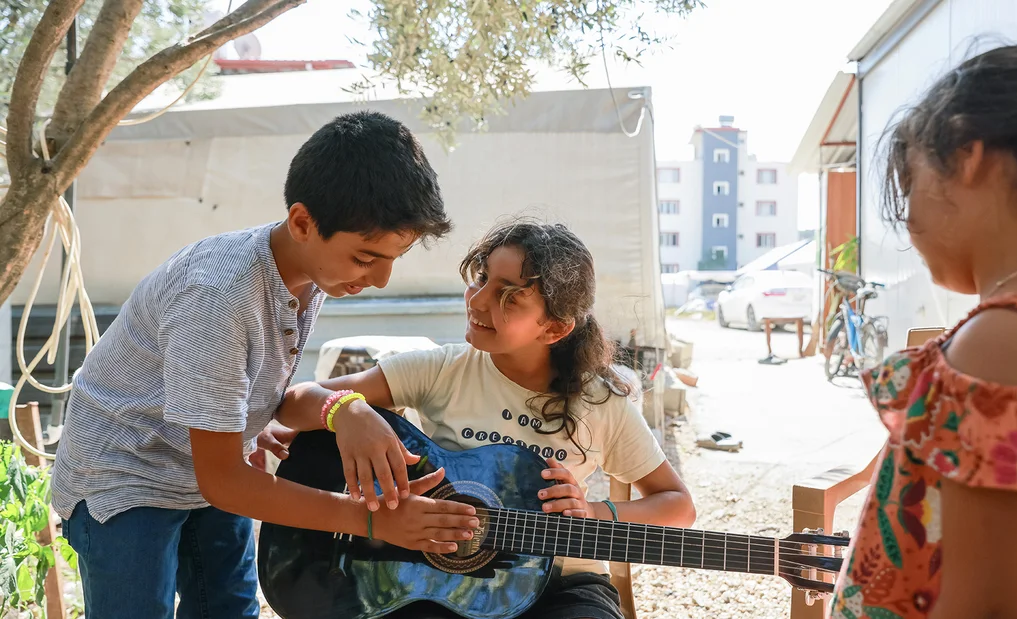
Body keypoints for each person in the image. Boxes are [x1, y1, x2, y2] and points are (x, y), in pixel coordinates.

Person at [51, 110, 463, 619]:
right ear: (302, 223)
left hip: (206, 464)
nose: (379, 279)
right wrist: (374, 522)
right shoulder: (218, 297)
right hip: (127, 472)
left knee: (228, 607)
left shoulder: (310, 271)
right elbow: (223, 481)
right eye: (365, 258)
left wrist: (342, 409)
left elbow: (274, 400)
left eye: (392, 259)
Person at [276, 220, 696, 619]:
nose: (478, 301)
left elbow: (679, 507)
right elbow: (293, 401)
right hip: (441, 578)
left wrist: (592, 510)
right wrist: (347, 409)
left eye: (509, 296)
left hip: (563, 584)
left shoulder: (600, 400)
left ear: (553, 329)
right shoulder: (444, 369)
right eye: (481, 278)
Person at [833, 34, 1017, 619]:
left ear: (970, 156)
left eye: (908, 190)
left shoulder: (1004, 343)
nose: (909, 224)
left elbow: (984, 608)